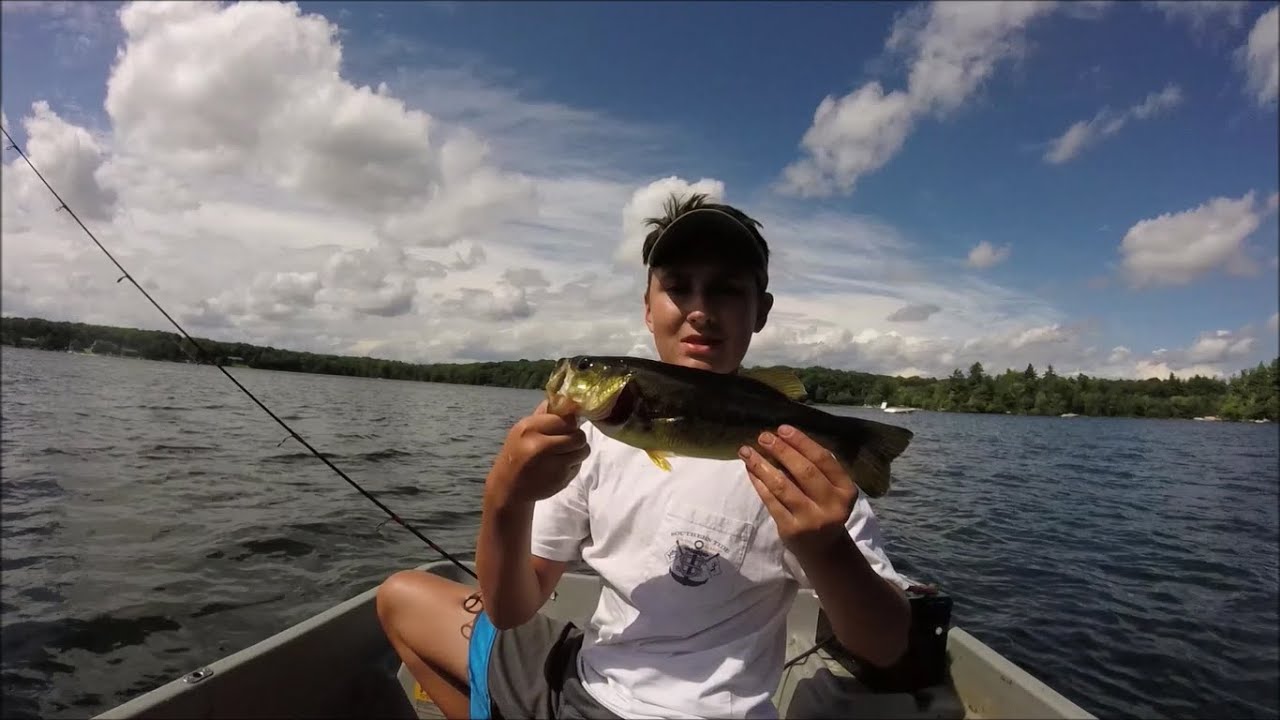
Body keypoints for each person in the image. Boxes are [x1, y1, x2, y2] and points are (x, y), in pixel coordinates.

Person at [376, 192, 912, 720]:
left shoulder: (800, 469)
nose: (700, 310)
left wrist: (826, 548)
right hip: (586, 680)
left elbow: (886, 645)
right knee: (400, 597)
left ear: (760, 312)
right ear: (648, 309)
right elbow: (512, 608)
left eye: (726, 289)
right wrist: (505, 497)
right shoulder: (596, 442)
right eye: (678, 287)